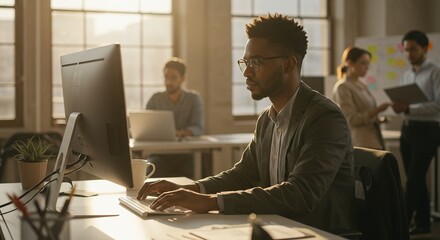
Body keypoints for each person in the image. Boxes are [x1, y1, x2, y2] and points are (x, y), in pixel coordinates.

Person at [137, 13, 356, 232]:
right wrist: (193, 188)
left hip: (316, 234)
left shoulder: (325, 118)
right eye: (246, 62)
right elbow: (244, 174)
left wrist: (209, 201)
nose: (247, 72)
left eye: (256, 62)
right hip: (277, 229)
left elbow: (300, 194)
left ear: (288, 64)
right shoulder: (267, 120)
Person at [391, 30, 440, 236]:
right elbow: (406, 103)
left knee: (413, 179)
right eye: (406, 49)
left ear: (425, 48)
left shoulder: (435, 72)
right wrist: (400, 107)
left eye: (413, 49)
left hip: (428, 130)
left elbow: (438, 105)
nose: (409, 53)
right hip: (408, 128)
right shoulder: (407, 74)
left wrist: (409, 109)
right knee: (415, 178)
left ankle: (400, 226)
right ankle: (423, 224)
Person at [146, 57, 204, 178]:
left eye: (173, 78)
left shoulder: (193, 98)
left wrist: (180, 133)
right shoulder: (155, 99)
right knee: (150, 169)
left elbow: (198, 127)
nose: (168, 82)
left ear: (183, 78)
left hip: (186, 154)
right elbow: (145, 126)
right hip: (160, 154)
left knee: (199, 169)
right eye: (166, 77)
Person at [333, 47, 391, 149]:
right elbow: (351, 120)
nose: (366, 67)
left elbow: (365, 115)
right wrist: (377, 110)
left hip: (374, 139)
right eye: (363, 63)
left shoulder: (361, 84)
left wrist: (380, 120)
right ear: (350, 63)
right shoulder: (343, 87)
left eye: (368, 64)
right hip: (360, 142)